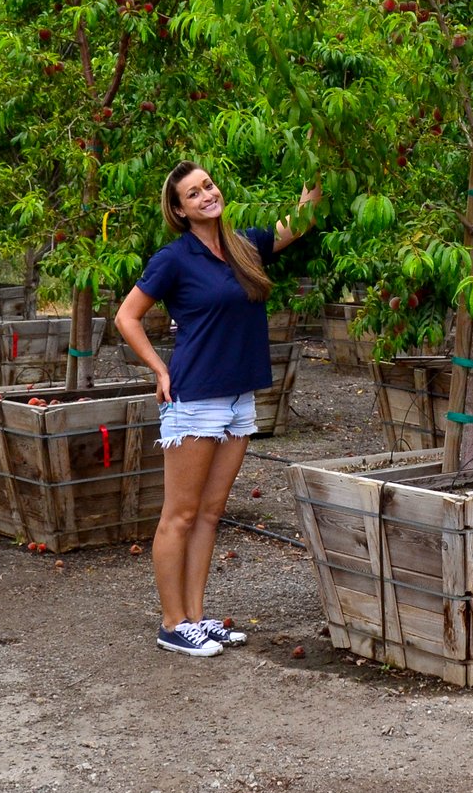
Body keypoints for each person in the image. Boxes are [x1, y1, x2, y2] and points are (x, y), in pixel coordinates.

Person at [114, 162, 319, 657]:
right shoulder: (174, 259)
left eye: (208, 185)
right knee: (179, 515)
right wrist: (160, 371)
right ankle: (171, 623)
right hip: (195, 399)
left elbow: (302, 219)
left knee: (209, 513)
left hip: (238, 397)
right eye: (194, 192)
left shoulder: (243, 245)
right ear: (180, 210)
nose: (207, 194)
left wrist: (319, 163)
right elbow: (127, 316)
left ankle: (197, 618)